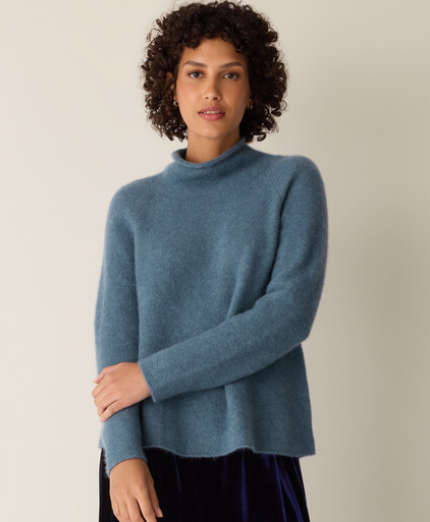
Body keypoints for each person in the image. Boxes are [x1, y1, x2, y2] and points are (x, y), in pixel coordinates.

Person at [91, 1, 328, 521]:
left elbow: (286, 317)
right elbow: (114, 350)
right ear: (171, 86)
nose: (212, 91)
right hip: (147, 460)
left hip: (253, 451)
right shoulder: (133, 206)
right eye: (195, 73)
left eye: (231, 74)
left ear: (254, 88)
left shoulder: (291, 182)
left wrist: (152, 375)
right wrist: (122, 455)